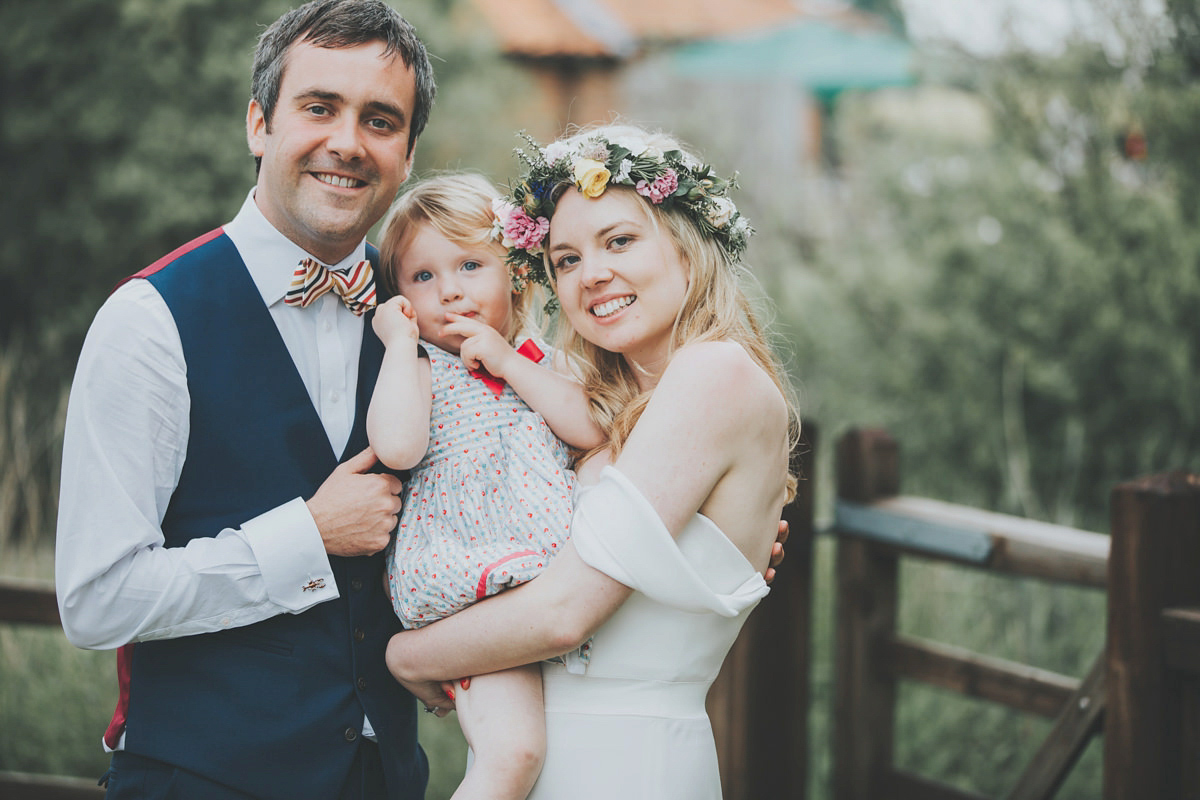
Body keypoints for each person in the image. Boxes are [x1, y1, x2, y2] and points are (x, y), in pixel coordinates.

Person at [54, 1, 436, 798]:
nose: (347, 142)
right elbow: (96, 600)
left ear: (406, 155)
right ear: (259, 124)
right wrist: (310, 534)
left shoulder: (424, 313)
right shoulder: (150, 321)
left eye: (380, 119)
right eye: (319, 107)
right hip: (199, 779)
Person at [384, 124, 799, 799]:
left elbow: (562, 615)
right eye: (566, 259)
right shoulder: (602, 408)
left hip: (629, 766)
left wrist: (405, 654)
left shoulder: (715, 373)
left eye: (620, 241)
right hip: (542, 760)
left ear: (687, 248)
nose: (592, 273)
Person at [367, 173, 604, 799]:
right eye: (422, 277)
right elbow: (396, 445)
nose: (449, 291)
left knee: (570, 761)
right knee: (513, 754)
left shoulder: (542, 363)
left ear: (516, 274)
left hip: (550, 586)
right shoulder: (426, 369)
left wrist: (505, 360)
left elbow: (590, 429)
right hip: (469, 587)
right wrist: (398, 344)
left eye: (471, 265)